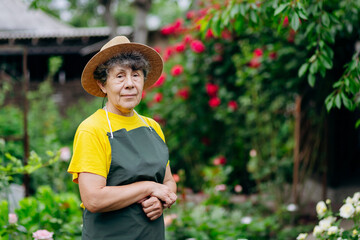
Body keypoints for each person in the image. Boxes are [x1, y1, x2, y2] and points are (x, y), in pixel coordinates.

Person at [67, 36, 177, 240]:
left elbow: (168, 182)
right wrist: (148, 187)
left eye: (136, 75)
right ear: (102, 84)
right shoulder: (92, 129)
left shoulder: (152, 127)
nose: (129, 84)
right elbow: (93, 199)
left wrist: (160, 201)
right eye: (119, 76)